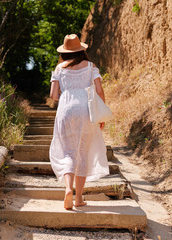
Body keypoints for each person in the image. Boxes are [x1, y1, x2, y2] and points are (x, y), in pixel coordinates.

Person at [49, 34, 109, 210]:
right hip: (86, 110)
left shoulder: (59, 69)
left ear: (65, 52)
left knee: (69, 152)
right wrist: (101, 114)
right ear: (82, 50)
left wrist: (68, 97)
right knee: (82, 152)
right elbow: (99, 90)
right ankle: (79, 198)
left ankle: (68, 189)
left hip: (65, 110)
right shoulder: (91, 67)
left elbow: (53, 95)